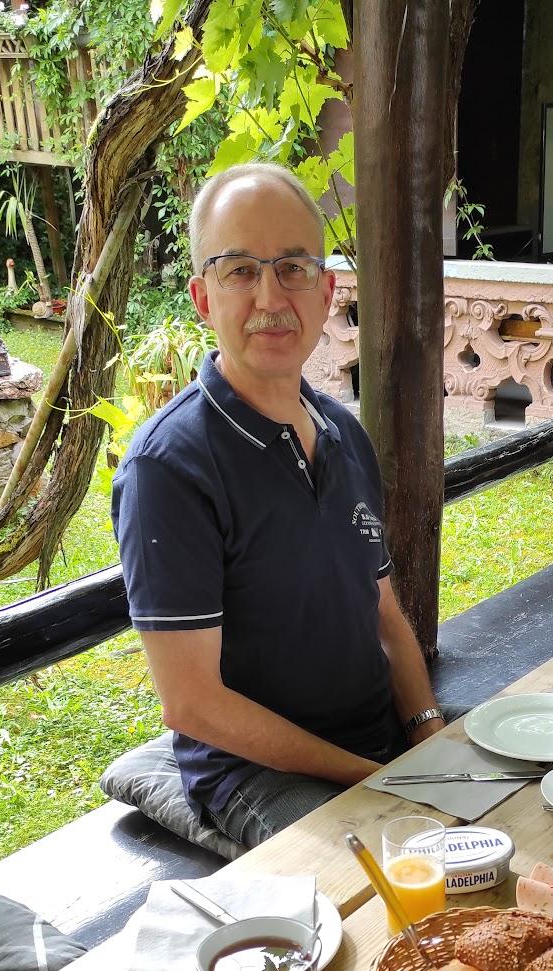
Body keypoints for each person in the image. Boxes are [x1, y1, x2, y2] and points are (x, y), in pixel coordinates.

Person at [112, 163, 445, 850]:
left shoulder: (343, 433)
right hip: (257, 774)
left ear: (325, 294)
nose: (270, 296)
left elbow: (383, 611)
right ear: (203, 299)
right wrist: (372, 777)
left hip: (376, 742)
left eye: (292, 267)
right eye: (239, 270)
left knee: (527, 818)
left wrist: (427, 735)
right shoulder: (168, 466)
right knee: (413, 891)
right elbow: (191, 702)